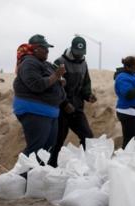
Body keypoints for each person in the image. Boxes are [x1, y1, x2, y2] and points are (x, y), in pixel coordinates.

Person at [13, 34, 66, 161]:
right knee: (35, 149)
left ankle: (36, 178)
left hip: (50, 113)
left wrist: (59, 81)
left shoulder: (44, 63)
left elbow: (51, 80)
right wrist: (56, 76)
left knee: (46, 151)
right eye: (44, 48)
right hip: (35, 111)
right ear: (35, 48)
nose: (47, 51)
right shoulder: (29, 62)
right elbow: (36, 85)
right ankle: (20, 178)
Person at [49, 36, 97, 167]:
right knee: (58, 141)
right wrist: (64, 104)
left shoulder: (84, 64)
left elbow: (86, 83)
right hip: (61, 109)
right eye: (77, 52)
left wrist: (88, 95)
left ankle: (86, 166)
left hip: (77, 108)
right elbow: (55, 87)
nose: (79, 55)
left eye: (82, 53)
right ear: (72, 49)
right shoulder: (59, 62)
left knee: (88, 137)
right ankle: (50, 168)